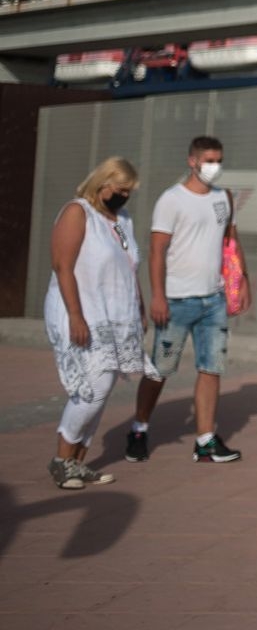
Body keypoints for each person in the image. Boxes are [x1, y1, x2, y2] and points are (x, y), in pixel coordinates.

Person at [127, 135, 247, 464]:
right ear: (192, 161)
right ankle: (139, 427)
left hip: (214, 299)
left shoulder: (224, 197)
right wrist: (158, 297)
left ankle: (205, 441)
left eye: (218, 159)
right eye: (208, 160)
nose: (214, 166)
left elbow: (230, 241)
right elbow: (156, 251)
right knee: (159, 370)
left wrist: (241, 280)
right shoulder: (171, 200)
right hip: (177, 301)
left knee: (211, 368)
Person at [44, 158, 146, 489]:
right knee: (94, 386)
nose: (124, 197)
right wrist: (75, 314)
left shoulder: (121, 220)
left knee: (105, 388)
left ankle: (78, 463)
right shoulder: (78, 212)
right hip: (81, 310)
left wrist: (139, 309)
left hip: (115, 314)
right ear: (103, 184)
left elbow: (130, 268)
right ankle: (62, 459)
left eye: (129, 192)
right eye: (121, 190)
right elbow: (63, 266)